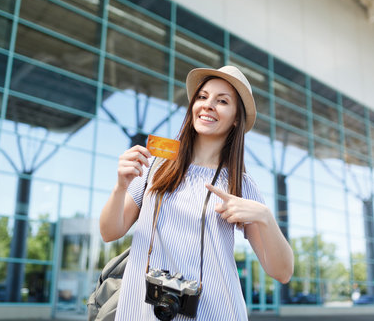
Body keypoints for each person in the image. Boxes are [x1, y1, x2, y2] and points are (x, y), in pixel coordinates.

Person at [100, 65, 294, 320]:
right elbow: (109, 232)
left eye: (222, 101)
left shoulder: (241, 185)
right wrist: (120, 186)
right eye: (202, 97)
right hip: (144, 309)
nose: (208, 105)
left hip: (213, 311)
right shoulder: (156, 166)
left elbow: (282, 272)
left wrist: (265, 217)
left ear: (236, 118)